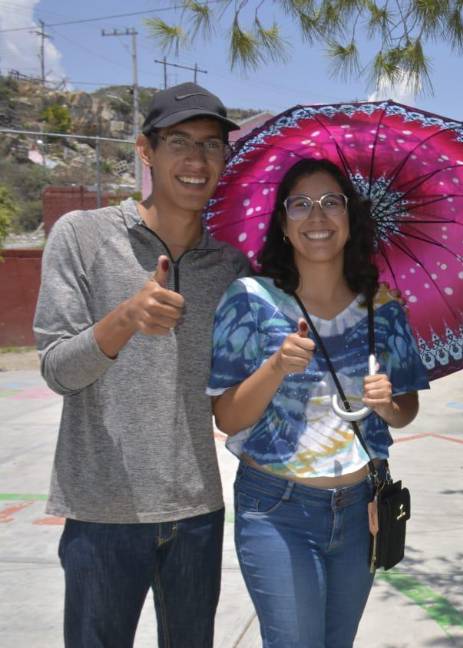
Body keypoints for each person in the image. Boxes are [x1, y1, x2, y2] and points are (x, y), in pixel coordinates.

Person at [34, 82, 246, 647]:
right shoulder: (81, 236)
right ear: (145, 150)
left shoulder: (230, 267)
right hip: (102, 513)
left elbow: (234, 402)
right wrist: (123, 319)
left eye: (212, 145)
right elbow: (57, 369)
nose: (197, 160)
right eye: (180, 141)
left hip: (197, 510)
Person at [206, 157, 428, 646]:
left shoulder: (384, 309)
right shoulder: (250, 299)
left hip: (359, 510)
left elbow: (406, 409)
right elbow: (227, 416)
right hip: (276, 508)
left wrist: (388, 404)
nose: (318, 216)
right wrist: (276, 367)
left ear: (351, 220)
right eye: (300, 204)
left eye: (332, 202)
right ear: (284, 225)